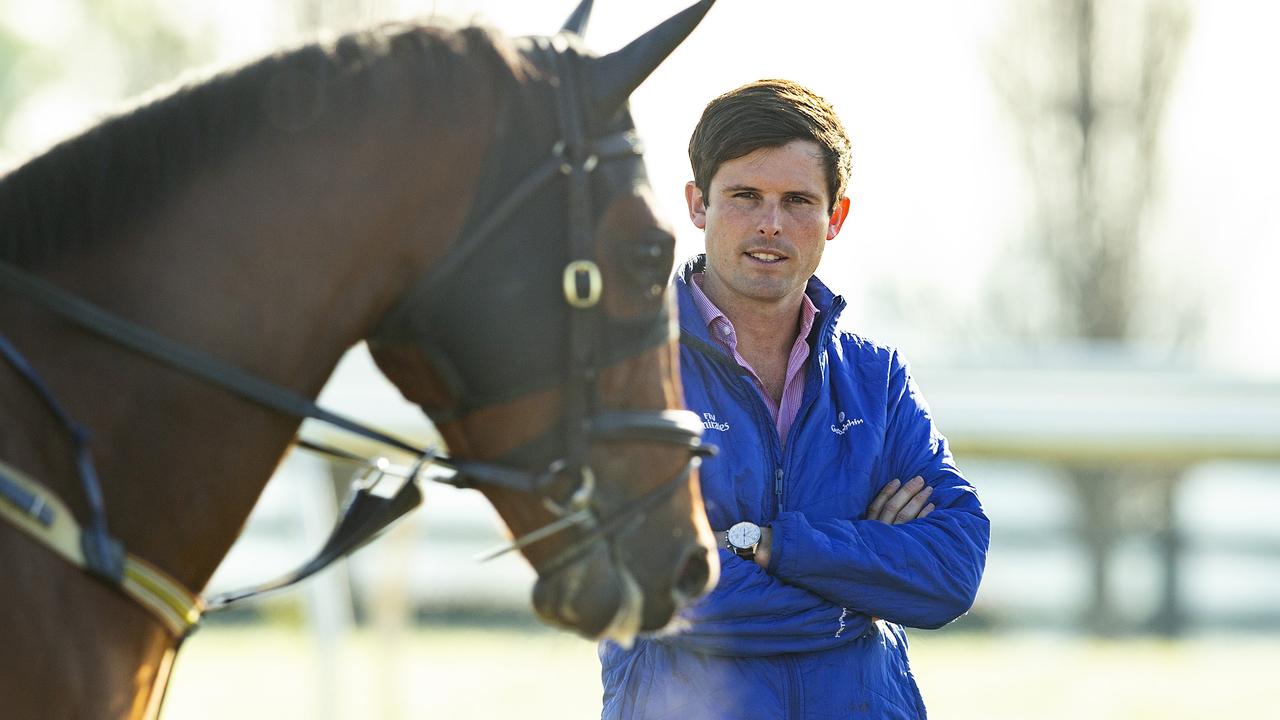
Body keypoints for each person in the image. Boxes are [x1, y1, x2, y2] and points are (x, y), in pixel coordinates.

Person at [599, 79, 990, 719]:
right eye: (745, 195)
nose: (771, 223)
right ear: (697, 204)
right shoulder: (630, 371)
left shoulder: (877, 381)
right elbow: (657, 591)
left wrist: (763, 544)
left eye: (798, 200)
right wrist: (865, 586)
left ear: (835, 218)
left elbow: (951, 569)